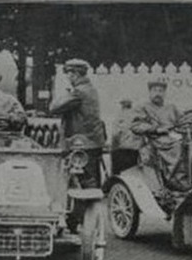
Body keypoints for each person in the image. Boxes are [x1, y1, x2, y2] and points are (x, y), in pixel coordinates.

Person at [49, 58, 105, 187]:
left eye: (69, 74)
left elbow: (54, 108)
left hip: (82, 144)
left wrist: (65, 93)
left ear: (75, 74)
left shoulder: (79, 92)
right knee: (91, 180)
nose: (68, 77)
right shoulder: (90, 88)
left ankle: (85, 207)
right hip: (91, 142)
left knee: (84, 182)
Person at [131, 78, 192, 191]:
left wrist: (189, 122)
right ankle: (175, 180)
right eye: (155, 90)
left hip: (173, 136)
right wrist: (156, 129)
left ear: (164, 93)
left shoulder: (171, 107)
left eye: (160, 91)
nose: (158, 93)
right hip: (155, 139)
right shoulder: (143, 107)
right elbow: (136, 126)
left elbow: (182, 120)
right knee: (176, 146)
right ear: (150, 92)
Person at [110, 97, 141, 174]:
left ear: (122, 105)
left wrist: (113, 148)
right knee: (132, 174)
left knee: (118, 175)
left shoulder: (119, 116)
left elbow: (115, 134)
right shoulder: (136, 116)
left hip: (121, 150)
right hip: (134, 151)